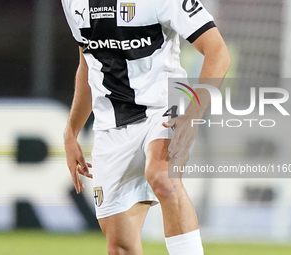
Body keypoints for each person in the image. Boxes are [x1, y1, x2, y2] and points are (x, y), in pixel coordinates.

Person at [62, 0, 230, 254]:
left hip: (165, 106)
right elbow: (88, 62)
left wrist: (193, 113)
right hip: (111, 127)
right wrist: (71, 131)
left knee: (162, 176)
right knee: (120, 246)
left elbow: (218, 51)